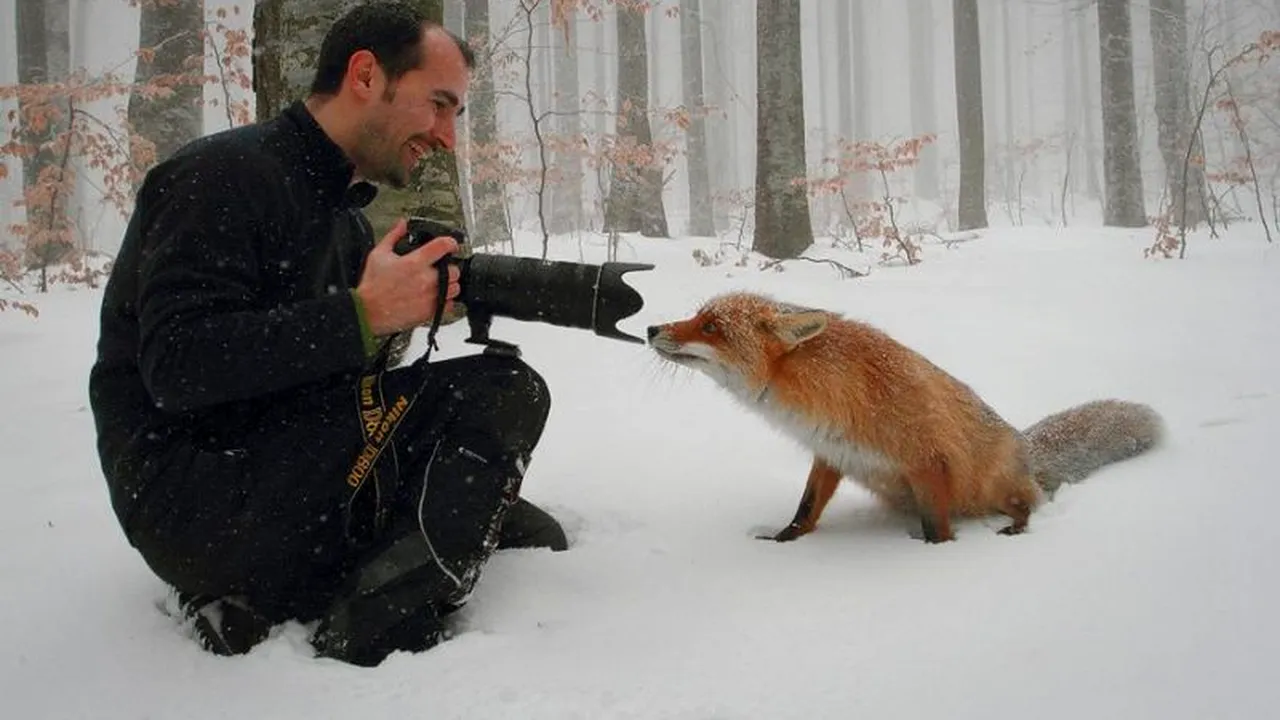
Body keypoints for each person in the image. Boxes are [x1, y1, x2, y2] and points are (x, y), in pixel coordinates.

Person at [88, 1, 567, 667]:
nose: (447, 136)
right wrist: (362, 316)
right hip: (194, 502)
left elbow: (314, 377)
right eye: (439, 104)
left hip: (273, 467)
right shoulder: (220, 176)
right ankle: (373, 623)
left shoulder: (342, 220)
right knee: (504, 392)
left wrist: (392, 320)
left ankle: (350, 554)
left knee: (477, 431)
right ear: (366, 76)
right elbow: (178, 368)